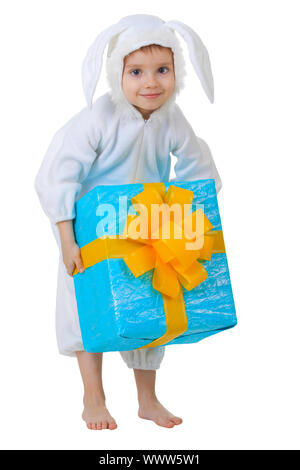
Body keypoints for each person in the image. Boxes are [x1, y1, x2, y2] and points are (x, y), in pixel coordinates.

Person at [35, 14, 222, 431]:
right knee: (87, 308)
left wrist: (192, 217)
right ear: (117, 72)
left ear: (178, 73)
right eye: (136, 71)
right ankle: (93, 396)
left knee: (147, 306)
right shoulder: (98, 119)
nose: (150, 83)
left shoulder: (172, 119)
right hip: (91, 230)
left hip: (145, 230)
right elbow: (57, 175)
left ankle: (146, 398)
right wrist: (67, 239)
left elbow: (198, 167)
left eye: (162, 70)